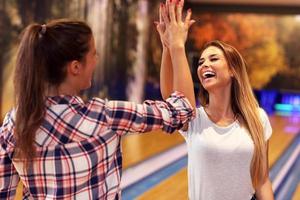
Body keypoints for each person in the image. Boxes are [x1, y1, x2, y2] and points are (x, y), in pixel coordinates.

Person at [0, 19, 195, 199]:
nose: (97, 59)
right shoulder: (104, 116)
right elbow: (183, 109)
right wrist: (175, 46)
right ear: (75, 67)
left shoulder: (13, 123)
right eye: (94, 53)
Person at [156, 0, 274, 199]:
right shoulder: (195, 119)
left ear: (233, 71)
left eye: (213, 59)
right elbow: (171, 97)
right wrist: (170, 47)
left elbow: (261, 179)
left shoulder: (258, 118)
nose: (204, 65)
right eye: (201, 62)